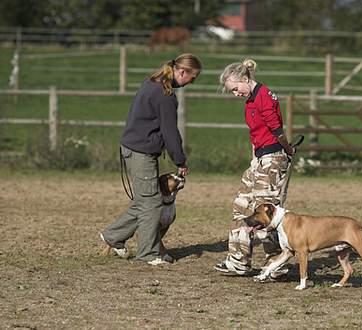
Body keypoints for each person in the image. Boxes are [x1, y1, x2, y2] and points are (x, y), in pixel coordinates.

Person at [100, 53, 202, 266]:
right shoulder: (164, 94)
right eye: (192, 78)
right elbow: (170, 132)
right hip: (140, 151)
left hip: (135, 148)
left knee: (147, 199)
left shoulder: (153, 82)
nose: (191, 82)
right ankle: (147, 253)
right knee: (152, 203)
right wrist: (180, 160)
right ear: (182, 72)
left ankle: (113, 235)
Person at [214, 59, 295, 277]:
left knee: (266, 211)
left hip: (272, 156)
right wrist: (253, 160)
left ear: (245, 79)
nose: (235, 94)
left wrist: (288, 150)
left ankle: (277, 264)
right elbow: (254, 134)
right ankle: (238, 261)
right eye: (232, 91)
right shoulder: (250, 100)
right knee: (240, 206)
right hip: (259, 159)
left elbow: (276, 129)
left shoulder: (264, 96)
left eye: (235, 89)